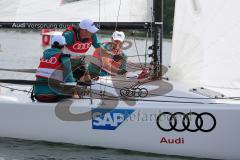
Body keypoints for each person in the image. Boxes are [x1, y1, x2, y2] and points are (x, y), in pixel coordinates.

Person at [33, 35, 75, 102]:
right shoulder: (64, 57)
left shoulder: (44, 56)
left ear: (51, 45)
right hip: (53, 96)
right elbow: (69, 79)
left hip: (37, 95)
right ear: (63, 46)